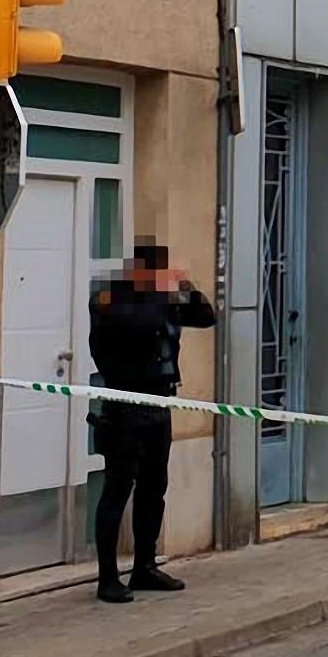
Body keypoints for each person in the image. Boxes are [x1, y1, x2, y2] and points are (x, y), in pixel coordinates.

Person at [87, 240, 215, 603]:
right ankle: (108, 577)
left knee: (153, 489)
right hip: (125, 408)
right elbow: (141, 325)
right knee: (117, 491)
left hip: (159, 405)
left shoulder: (164, 300)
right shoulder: (111, 300)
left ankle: (145, 565)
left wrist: (186, 287)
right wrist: (164, 294)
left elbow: (207, 317)